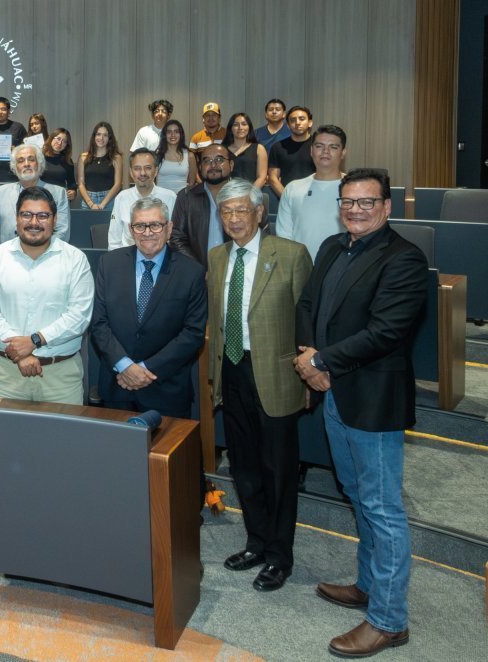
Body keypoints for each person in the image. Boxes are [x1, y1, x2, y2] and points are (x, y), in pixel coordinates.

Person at [294, 169, 428, 658]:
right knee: (356, 494)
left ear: (387, 207)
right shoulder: (333, 246)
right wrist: (308, 356)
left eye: (367, 202)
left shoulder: (404, 258)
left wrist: (321, 362)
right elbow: (308, 304)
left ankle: (389, 621)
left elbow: (386, 332)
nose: (355, 210)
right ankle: (369, 585)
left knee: (382, 508)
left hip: (373, 402)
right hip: (334, 394)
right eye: (348, 201)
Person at [207, 178, 312, 593]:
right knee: (244, 466)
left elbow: (306, 319)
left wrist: (308, 376)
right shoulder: (217, 257)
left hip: (276, 376)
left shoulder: (290, 254)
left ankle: (279, 556)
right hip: (231, 371)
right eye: (226, 211)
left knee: (278, 470)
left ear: (260, 213)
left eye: (241, 210)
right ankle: (256, 542)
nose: (234, 218)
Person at [89, 197, 206, 418]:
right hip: (117, 386)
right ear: (131, 230)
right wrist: (125, 366)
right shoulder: (109, 264)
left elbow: (193, 334)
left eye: (155, 225)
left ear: (169, 228)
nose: (147, 232)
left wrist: (144, 370)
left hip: (166, 389)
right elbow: (99, 324)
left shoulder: (192, 272)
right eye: (140, 226)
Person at [0, 186, 93, 404]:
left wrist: (34, 341)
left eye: (43, 216)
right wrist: (19, 353)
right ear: (16, 219)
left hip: (60, 377)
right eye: (26, 215)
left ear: (55, 220)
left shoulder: (75, 259)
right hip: (5, 374)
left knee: (64, 429)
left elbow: (79, 316)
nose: (34, 222)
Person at [171, 144, 262, 265]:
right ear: (200, 167)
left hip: (238, 268)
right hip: (198, 270)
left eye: (219, 160)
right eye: (207, 161)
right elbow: (177, 238)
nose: (213, 165)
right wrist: (197, 269)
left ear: (231, 165)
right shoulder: (187, 197)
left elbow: (259, 236)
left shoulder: (247, 196)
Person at [277, 125, 348, 258]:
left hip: (342, 265)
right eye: (319, 146)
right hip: (301, 265)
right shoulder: (293, 188)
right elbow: (284, 237)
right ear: (311, 151)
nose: (325, 151)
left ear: (343, 152)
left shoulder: (354, 189)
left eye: (333, 147)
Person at [0, 144, 70, 246]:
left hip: (46, 254)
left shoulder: (59, 193)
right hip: (6, 254)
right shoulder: (0, 192)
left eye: (31, 159)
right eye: (21, 161)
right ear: (15, 167)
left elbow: (62, 232)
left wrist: (40, 253)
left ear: (39, 164)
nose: (26, 164)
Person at [108, 148, 179, 249]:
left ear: (156, 171)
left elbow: (176, 238)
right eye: (137, 168)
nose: (142, 173)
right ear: (131, 172)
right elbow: (114, 241)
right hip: (128, 256)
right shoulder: (122, 198)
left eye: (148, 168)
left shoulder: (170, 198)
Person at [268, 106, 315, 198]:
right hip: (287, 197)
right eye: (293, 120)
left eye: (301, 119)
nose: (297, 123)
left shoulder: (320, 146)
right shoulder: (278, 147)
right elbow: (273, 179)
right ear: (288, 126)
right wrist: (287, 198)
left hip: (315, 196)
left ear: (310, 123)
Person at [76, 122, 122, 211]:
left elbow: (118, 184)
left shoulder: (116, 158)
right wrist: (91, 204)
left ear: (110, 138)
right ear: (94, 136)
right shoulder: (83, 157)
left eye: (105, 135)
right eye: (98, 134)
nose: (101, 138)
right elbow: (81, 184)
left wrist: (102, 204)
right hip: (88, 201)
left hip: (109, 201)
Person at [222, 112, 267, 189]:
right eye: (236, 125)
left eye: (244, 124)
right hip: (227, 192)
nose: (240, 127)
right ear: (230, 128)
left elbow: (262, 178)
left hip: (252, 192)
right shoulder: (222, 150)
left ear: (249, 128)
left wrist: (250, 193)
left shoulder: (259, 149)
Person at [155, 119, 196, 193]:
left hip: (182, 198)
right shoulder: (158, 155)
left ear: (181, 134)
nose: (173, 135)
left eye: (176, 132)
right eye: (169, 132)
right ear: (165, 135)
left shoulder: (190, 156)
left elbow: (192, 183)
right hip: (161, 198)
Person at [41, 128, 77, 201]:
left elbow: (72, 183)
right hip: (41, 198)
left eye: (64, 141)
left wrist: (73, 192)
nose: (60, 143)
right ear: (51, 138)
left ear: (67, 145)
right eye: (58, 138)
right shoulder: (40, 156)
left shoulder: (67, 160)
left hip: (59, 199)